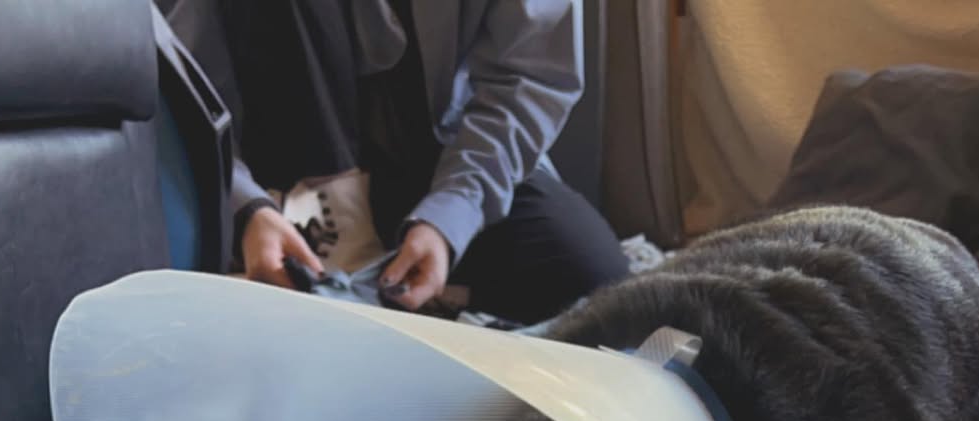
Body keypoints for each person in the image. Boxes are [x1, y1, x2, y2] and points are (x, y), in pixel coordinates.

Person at [163, 0, 630, 324]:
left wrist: (448, 219)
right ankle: (338, 259)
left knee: (593, 277)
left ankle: (396, 283)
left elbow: (526, 82)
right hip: (291, 183)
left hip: (447, 158)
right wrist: (248, 210)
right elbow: (193, 95)